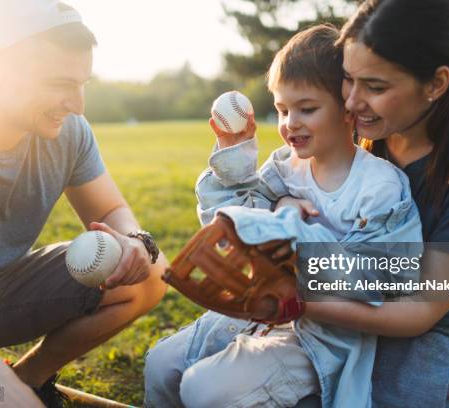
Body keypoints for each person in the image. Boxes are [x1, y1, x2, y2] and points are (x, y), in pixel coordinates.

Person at [144, 24, 423, 408]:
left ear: (348, 106)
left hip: (322, 335)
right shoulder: (283, 168)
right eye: (281, 109)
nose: (290, 122)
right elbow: (228, 226)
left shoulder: (380, 187)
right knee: (162, 365)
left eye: (307, 109)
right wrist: (235, 163)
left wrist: (292, 226)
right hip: (260, 312)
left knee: (203, 389)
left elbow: (381, 280)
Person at [0, 1, 167, 406]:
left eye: (82, 84)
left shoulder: (70, 132)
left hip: (6, 292)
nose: (77, 105)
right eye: (59, 83)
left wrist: (133, 240)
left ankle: (28, 379)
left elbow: (111, 212)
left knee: (148, 270)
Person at [291, 0, 449, 406]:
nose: (353, 101)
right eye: (347, 79)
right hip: (337, 309)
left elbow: (422, 309)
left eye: (376, 87)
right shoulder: (352, 129)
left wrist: (299, 301)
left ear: (436, 84)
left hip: (430, 335)